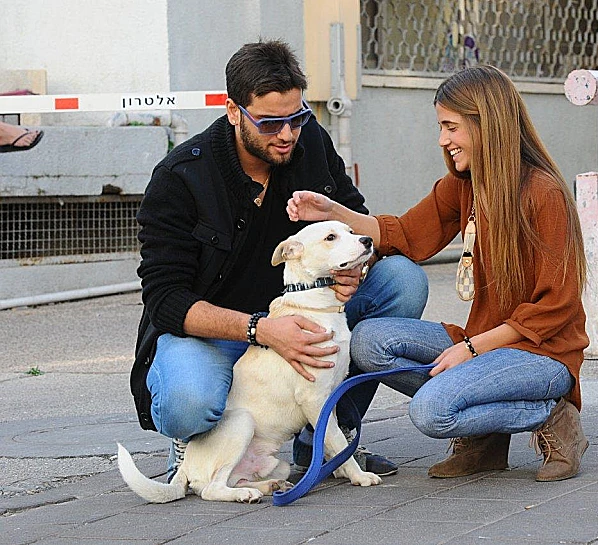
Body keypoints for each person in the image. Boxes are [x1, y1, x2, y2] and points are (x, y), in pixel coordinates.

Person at [131, 40, 428, 481]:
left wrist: (354, 269)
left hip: (303, 314)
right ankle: (197, 447)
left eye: (297, 117)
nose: (287, 134)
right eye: (270, 123)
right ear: (233, 111)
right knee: (187, 400)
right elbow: (165, 299)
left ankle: (325, 439)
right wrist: (262, 329)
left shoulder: (312, 145)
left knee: (402, 280)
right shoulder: (180, 177)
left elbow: (356, 226)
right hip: (216, 330)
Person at [286, 65, 590, 482]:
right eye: (441, 127)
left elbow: (557, 307)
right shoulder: (464, 185)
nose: (443, 140)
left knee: (432, 411)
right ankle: (486, 442)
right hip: (485, 342)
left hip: (545, 354)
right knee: (370, 341)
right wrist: (333, 212)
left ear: (488, 125)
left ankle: (554, 413)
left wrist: (472, 349)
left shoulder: (544, 193)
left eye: (451, 127)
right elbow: (406, 235)